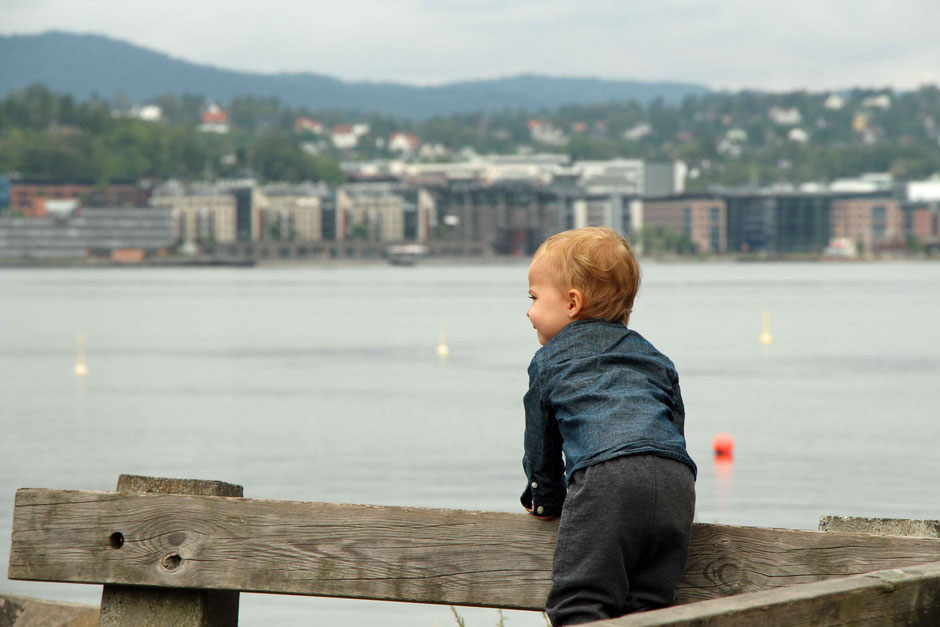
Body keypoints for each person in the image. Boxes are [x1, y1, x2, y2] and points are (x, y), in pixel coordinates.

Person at [521, 226, 696, 625]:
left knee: (578, 604)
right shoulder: (654, 356)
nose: (528, 311)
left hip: (607, 478)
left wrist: (545, 500)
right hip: (675, 479)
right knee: (650, 605)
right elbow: (674, 423)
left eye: (533, 298)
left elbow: (542, 445)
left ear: (572, 302)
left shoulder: (549, 361)